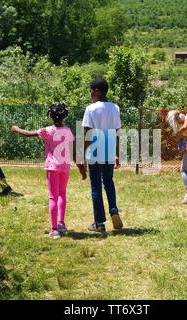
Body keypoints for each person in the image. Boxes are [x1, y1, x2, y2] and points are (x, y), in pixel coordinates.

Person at [11, 103, 85, 239]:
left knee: (53, 196)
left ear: (50, 116)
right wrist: (81, 169)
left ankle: (54, 229)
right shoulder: (69, 131)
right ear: (65, 116)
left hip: (52, 167)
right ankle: (61, 223)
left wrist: (16, 129)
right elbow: (74, 152)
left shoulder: (48, 131)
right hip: (65, 167)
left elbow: (28, 134)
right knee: (62, 193)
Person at [81, 78, 123, 233]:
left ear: (97, 91)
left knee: (96, 187)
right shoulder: (115, 108)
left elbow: (88, 133)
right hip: (110, 149)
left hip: (95, 150)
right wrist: (117, 154)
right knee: (109, 182)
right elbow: (117, 132)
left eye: (91, 90)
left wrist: (84, 154)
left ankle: (99, 223)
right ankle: (114, 210)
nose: (90, 93)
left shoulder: (91, 108)